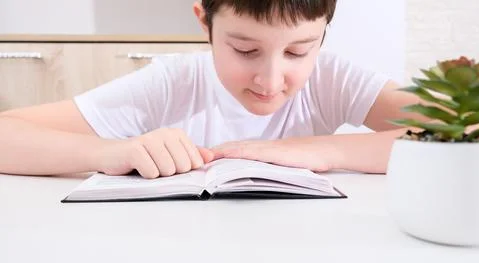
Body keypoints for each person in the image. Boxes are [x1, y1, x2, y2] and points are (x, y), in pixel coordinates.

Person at [0, 0, 426, 179]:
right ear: (204, 21)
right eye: (245, 49)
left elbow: (469, 129)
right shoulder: (173, 82)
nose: (271, 80)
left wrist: (325, 150)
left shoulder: (333, 79)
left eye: (298, 52)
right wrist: (112, 152)